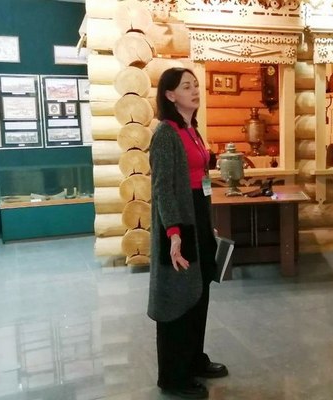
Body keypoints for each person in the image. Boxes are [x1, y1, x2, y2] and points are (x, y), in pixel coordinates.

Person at [148, 67, 226, 399]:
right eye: (186, 86)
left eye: (196, 85)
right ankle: (173, 375)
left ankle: (194, 359)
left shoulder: (192, 130)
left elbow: (202, 181)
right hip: (178, 224)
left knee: (198, 291)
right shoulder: (166, 134)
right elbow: (163, 189)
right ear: (170, 95)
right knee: (177, 298)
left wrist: (207, 221)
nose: (195, 91)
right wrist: (174, 233)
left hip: (197, 219)